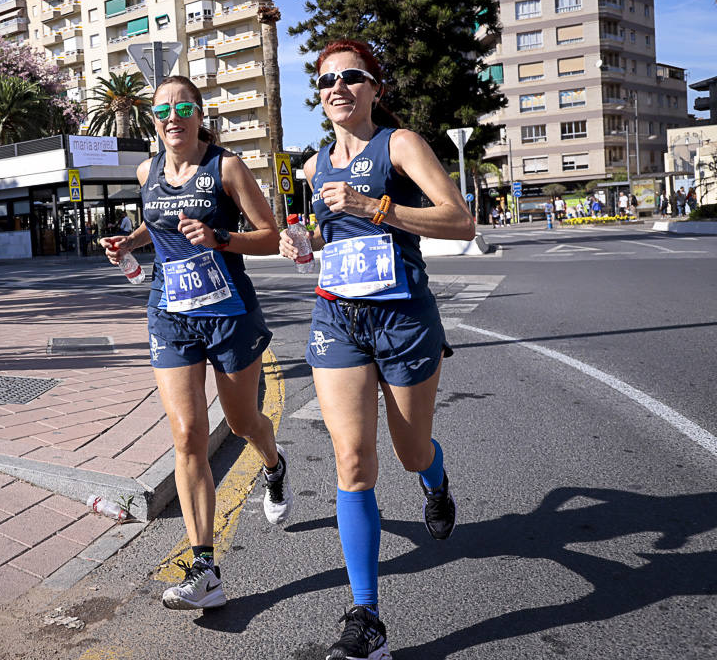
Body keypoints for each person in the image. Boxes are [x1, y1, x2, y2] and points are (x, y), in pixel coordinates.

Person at [278, 40, 473, 660]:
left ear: (375, 88)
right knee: (353, 461)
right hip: (337, 319)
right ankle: (367, 615)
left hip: (403, 319)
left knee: (412, 452)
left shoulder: (401, 144)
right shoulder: (313, 165)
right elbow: (323, 235)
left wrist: (376, 207)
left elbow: (460, 221)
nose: (337, 87)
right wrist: (301, 242)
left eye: (351, 76)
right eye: (326, 78)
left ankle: (435, 484)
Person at [102, 75, 293, 612]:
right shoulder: (147, 171)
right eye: (161, 108)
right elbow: (153, 223)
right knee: (187, 433)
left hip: (229, 315)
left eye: (182, 106)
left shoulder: (226, 166)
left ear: (199, 115)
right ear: (153, 119)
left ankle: (274, 465)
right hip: (170, 315)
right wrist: (129, 242)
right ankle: (204, 567)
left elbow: (272, 235)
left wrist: (220, 238)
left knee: (242, 424)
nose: (171, 116)